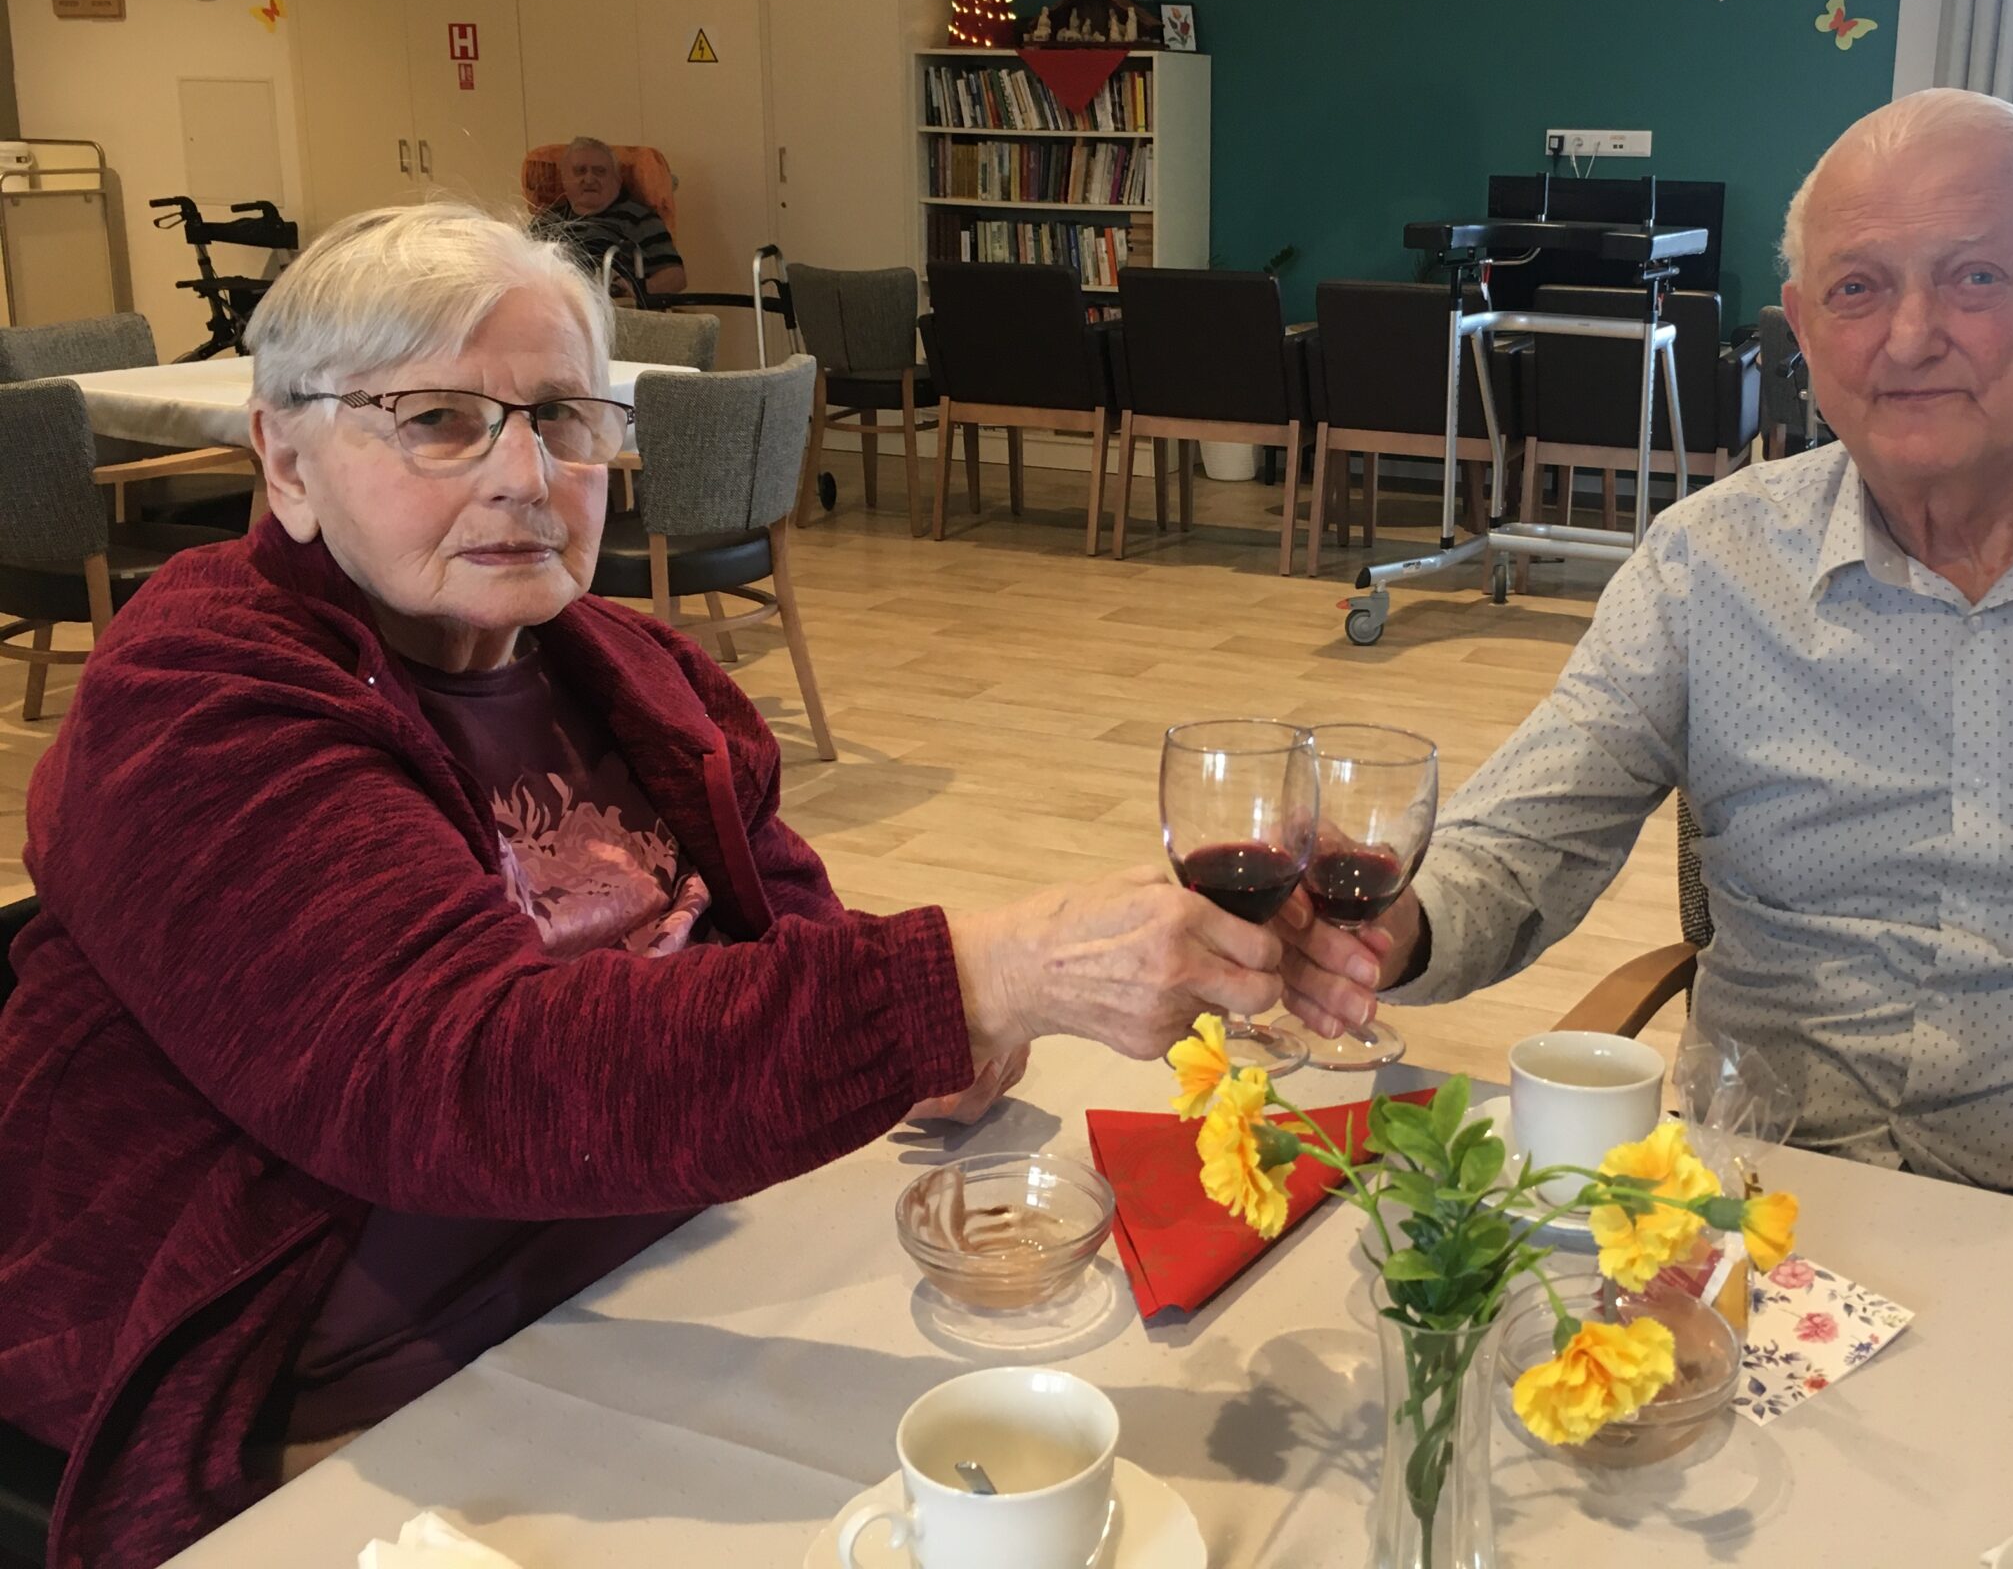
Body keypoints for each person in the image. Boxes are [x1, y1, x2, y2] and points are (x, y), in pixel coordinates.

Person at [0, 203, 1284, 1566]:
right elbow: (454, 1078)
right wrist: (974, 976)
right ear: (286, 458)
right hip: (351, 1392)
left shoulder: (637, 669)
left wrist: (936, 1039)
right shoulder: (195, 693)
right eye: (437, 421)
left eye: (563, 417)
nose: (525, 476)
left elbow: (799, 946)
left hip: (660, 1269)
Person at [1275, 88, 2013, 1241]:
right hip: (1763, 1209)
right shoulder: (1707, 565)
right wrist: (1383, 920)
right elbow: (1521, 840)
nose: (1910, 336)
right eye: (1857, 288)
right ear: (1800, 325)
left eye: (1975, 277)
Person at [538, 135, 687, 301]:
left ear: (617, 180)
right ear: (564, 178)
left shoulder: (639, 219)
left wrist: (636, 289)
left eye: (600, 171)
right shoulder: (545, 220)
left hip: (612, 309)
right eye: (580, 171)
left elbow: (676, 277)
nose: (589, 179)